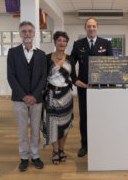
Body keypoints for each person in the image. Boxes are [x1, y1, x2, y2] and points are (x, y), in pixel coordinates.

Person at [41, 31, 87, 165]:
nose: (62, 43)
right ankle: (55, 151)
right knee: (52, 124)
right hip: (50, 95)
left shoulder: (70, 59)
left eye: (64, 41)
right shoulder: (47, 58)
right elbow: (43, 78)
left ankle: (62, 149)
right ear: (55, 42)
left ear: (67, 44)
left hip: (66, 96)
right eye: (59, 40)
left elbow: (74, 78)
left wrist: (86, 85)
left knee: (64, 125)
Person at [7, 21, 47, 172]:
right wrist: (24, 96)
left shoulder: (41, 54)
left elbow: (44, 77)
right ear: (20, 34)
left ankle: (35, 155)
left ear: (34, 34)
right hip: (19, 99)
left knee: (36, 129)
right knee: (23, 130)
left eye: (30, 31)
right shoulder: (13, 52)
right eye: (24, 31)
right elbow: (11, 77)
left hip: (37, 99)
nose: (27, 34)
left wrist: (35, 95)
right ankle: (24, 157)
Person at [71, 17, 113, 157]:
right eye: (89, 26)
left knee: (102, 116)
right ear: (85, 28)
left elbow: (111, 66)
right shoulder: (78, 44)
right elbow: (71, 64)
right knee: (84, 117)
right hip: (84, 87)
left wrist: (111, 87)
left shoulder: (106, 43)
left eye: (94, 26)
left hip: (101, 88)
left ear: (97, 28)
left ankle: (100, 143)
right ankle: (85, 145)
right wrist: (74, 80)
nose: (91, 28)